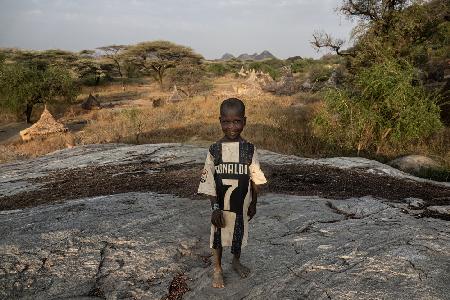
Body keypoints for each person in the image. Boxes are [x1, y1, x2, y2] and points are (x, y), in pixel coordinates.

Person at [198, 98, 267, 288]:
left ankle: (236, 261)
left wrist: (254, 203)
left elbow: (254, 178)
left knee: (239, 232)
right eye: (226, 122)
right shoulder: (214, 150)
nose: (232, 127)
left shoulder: (249, 149)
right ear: (220, 121)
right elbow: (209, 180)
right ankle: (218, 269)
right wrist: (214, 208)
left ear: (244, 121)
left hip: (241, 202)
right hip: (220, 204)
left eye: (236, 121)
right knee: (217, 235)